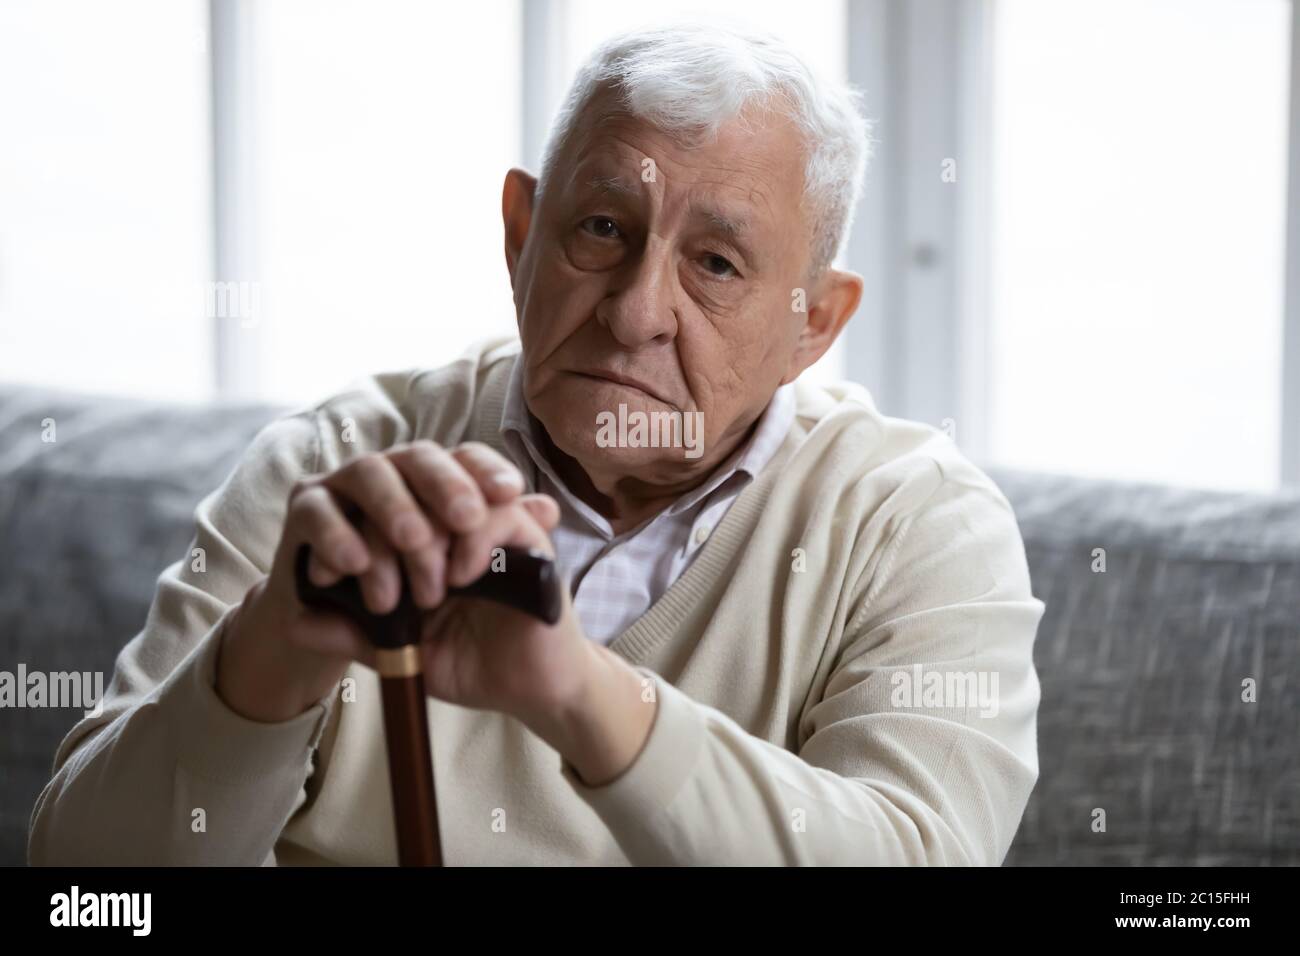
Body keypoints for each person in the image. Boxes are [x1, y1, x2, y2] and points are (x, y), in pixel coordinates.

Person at [30, 23, 1043, 866]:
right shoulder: (335, 466)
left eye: (717, 263)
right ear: (520, 233)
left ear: (812, 323)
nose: (639, 310)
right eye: (601, 228)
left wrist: (580, 691)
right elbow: (89, 883)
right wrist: (270, 654)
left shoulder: (919, 525)